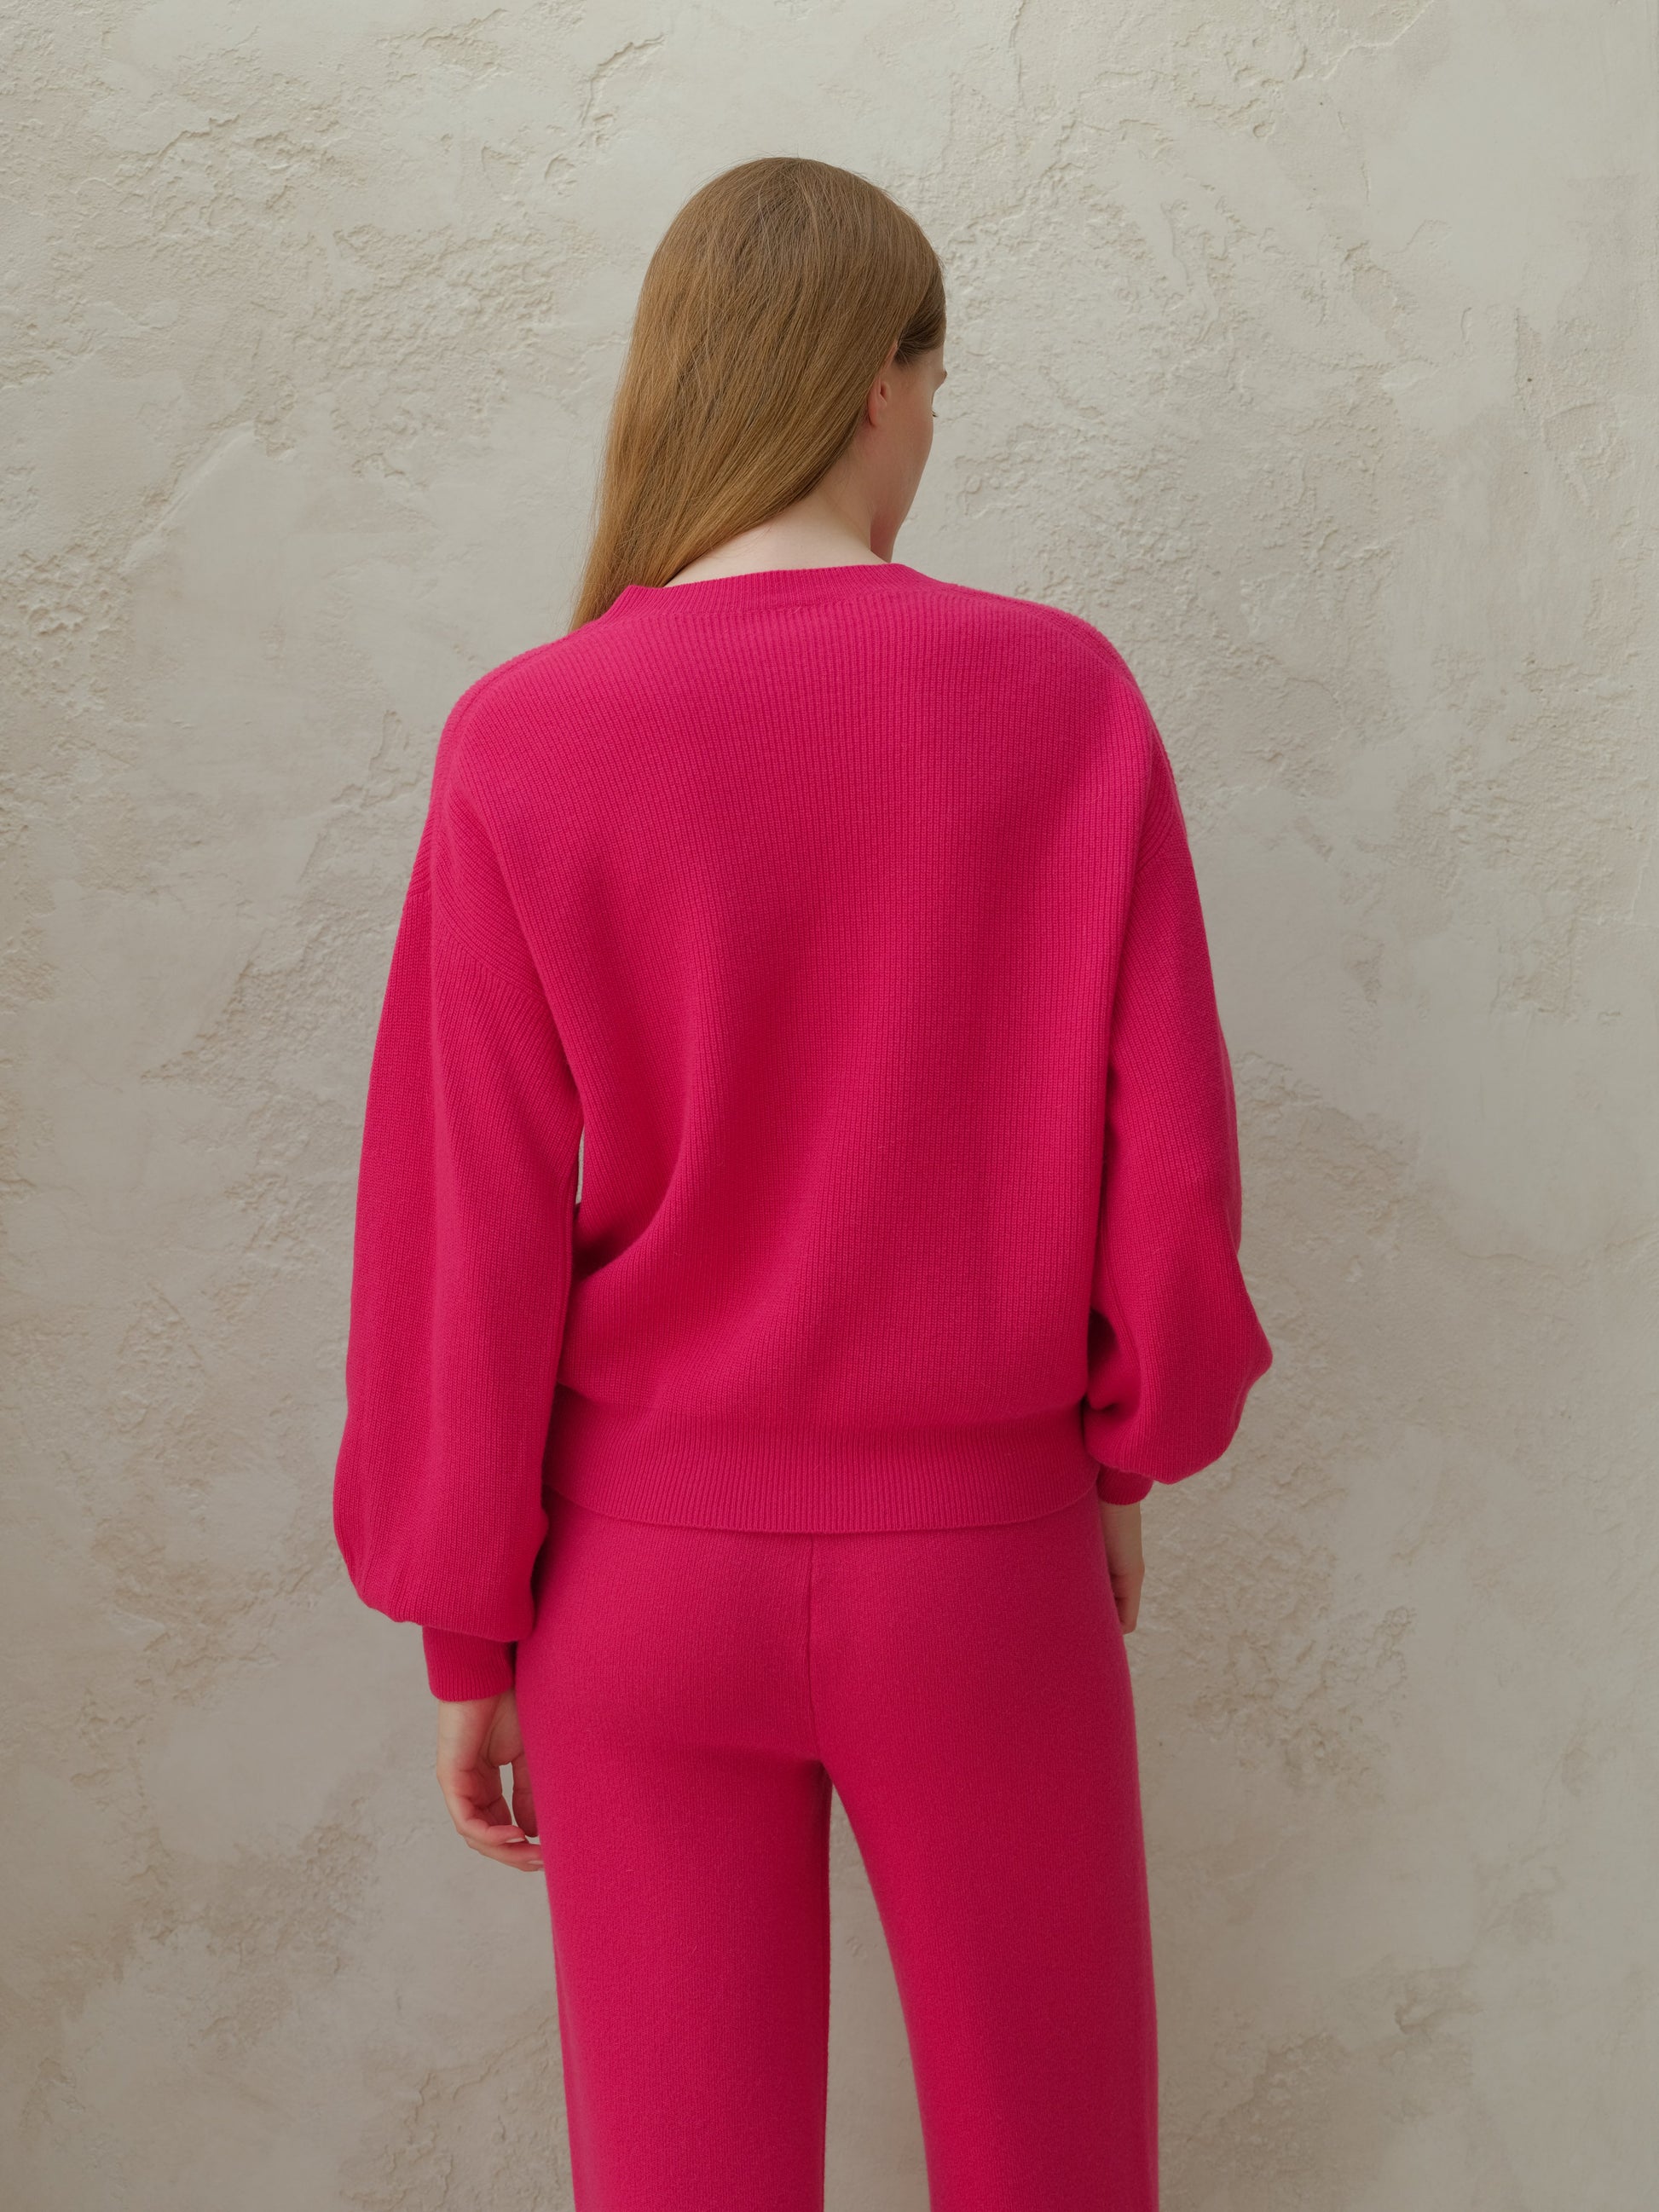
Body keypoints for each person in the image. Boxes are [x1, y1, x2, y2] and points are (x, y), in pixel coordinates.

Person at [332, 154, 1273, 2212]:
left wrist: (467, 1629)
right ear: (873, 383)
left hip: (636, 1588)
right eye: (936, 385)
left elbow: (457, 1228)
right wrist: (1122, 1456)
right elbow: (1173, 1157)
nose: (930, 429)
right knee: (1056, 2165)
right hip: (982, 1565)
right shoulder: (1064, 697)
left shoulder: (524, 736)